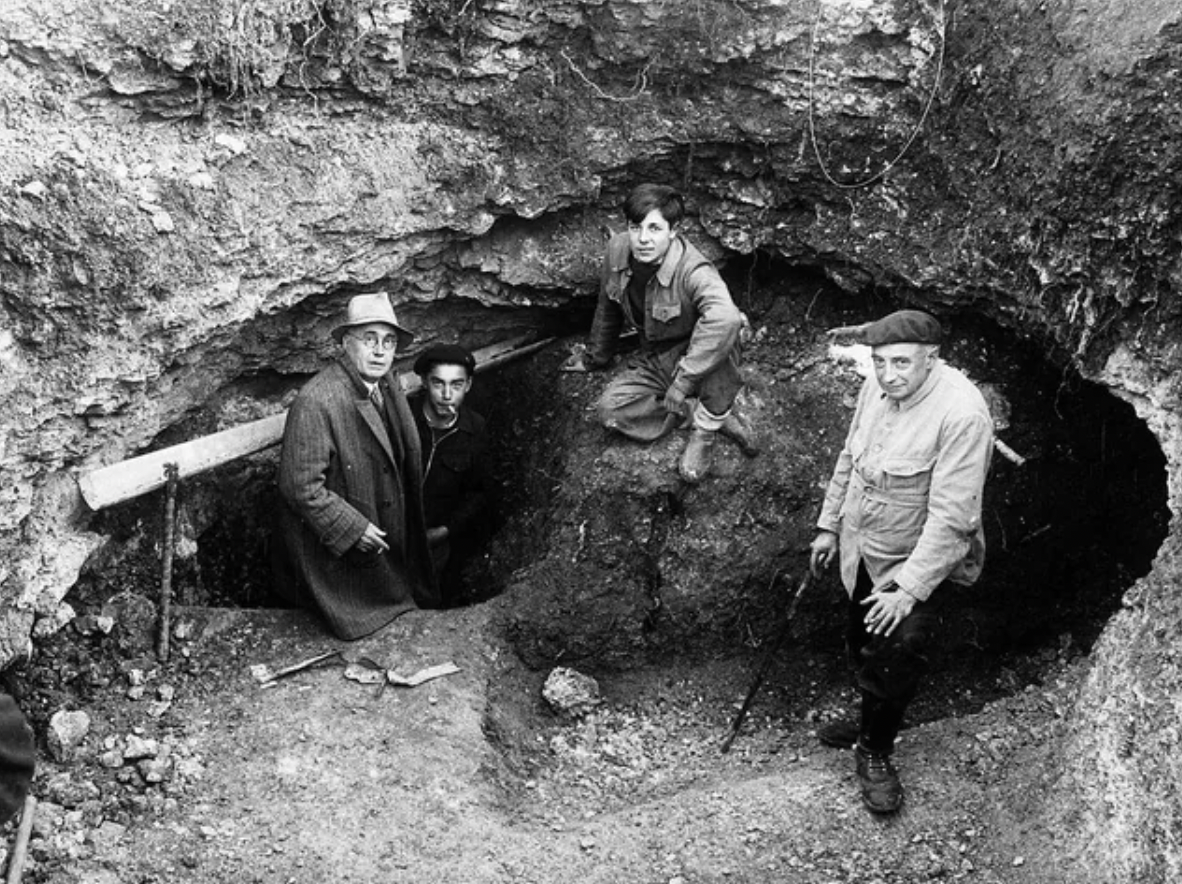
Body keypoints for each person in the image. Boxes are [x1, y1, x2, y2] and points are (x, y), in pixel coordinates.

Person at [808, 309, 994, 814]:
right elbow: (851, 455)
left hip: (919, 562)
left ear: (931, 360)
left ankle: (875, 750)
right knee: (860, 639)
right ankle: (871, 712)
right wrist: (829, 525)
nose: (889, 374)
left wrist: (908, 590)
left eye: (901, 363)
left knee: (897, 652)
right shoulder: (879, 386)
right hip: (864, 544)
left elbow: (954, 519)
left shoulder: (962, 414)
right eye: (880, 362)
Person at [561, 183, 758, 483]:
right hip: (656, 355)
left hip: (701, 358)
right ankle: (696, 413)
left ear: (674, 230)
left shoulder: (694, 271)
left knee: (723, 337)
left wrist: (683, 382)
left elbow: (726, 319)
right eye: (635, 227)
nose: (642, 239)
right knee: (609, 410)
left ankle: (706, 430)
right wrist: (595, 358)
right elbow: (607, 307)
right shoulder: (617, 250)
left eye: (654, 228)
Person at [272, 292, 438, 639]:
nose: (380, 351)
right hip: (339, 557)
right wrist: (352, 528)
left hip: (385, 527)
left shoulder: (385, 382)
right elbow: (300, 486)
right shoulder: (317, 401)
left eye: (389, 342)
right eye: (369, 340)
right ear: (346, 343)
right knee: (370, 618)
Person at [409, 343, 492, 608]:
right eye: (438, 383)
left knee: (425, 604)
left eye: (456, 385)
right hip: (390, 537)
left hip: (435, 544)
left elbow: (480, 493)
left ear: (468, 385)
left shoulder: (475, 429)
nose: (446, 395)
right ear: (424, 382)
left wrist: (445, 531)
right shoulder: (403, 419)